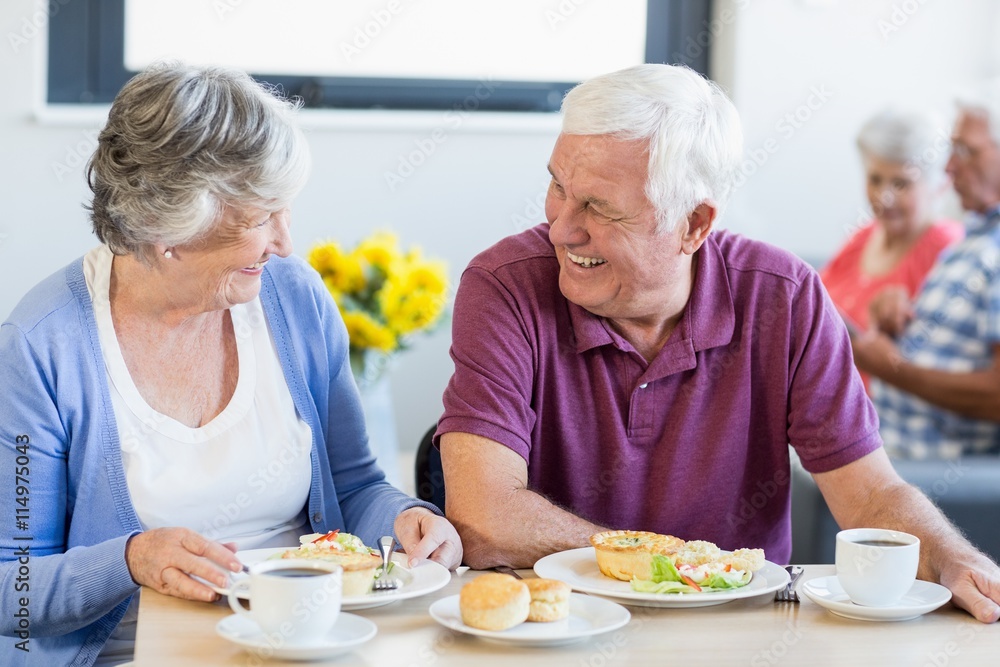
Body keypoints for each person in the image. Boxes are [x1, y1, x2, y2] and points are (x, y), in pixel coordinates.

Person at [435, 64, 1000, 623]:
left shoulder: (786, 296)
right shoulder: (503, 285)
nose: (561, 227)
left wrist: (952, 556)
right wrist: (672, 564)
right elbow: (484, 515)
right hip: (560, 627)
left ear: (694, 225)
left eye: (600, 207)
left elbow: (871, 494)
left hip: (741, 630)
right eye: (559, 186)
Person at [0, 63, 462, 667]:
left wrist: (409, 519)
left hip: (308, 643)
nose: (285, 243)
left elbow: (354, 486)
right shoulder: (43, 347)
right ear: (170, 230)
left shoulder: (294, 297)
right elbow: (16, 587)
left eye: (286, 211)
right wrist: (130, 559)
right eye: (261, 216)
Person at [853, 84, 1000, 459]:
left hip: (923, 469)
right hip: (884, 441)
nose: (949, 167)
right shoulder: (973, 241)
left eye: (965, 150)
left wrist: (891, 367)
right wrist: (892, 318)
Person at [820, 109, 963, 388]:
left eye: (901, 183)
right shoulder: (862, 237)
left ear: (940, 184)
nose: (884, 197)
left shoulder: (949, 249)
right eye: (875, 179)